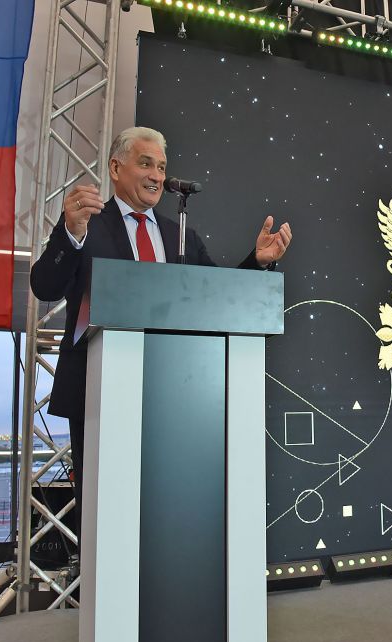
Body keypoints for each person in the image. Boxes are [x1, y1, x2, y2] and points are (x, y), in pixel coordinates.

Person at [29, 126, 292, 545]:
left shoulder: (178, 234)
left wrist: (257, 263)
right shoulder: (87, 225)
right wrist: (70, 234)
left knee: (167, 516)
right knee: (107, 521)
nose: (156, 175)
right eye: (145, 164)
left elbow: (217, 297)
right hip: (100, 397)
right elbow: (45, 286)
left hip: (174, 397)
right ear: (116, 168)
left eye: (162, 167)